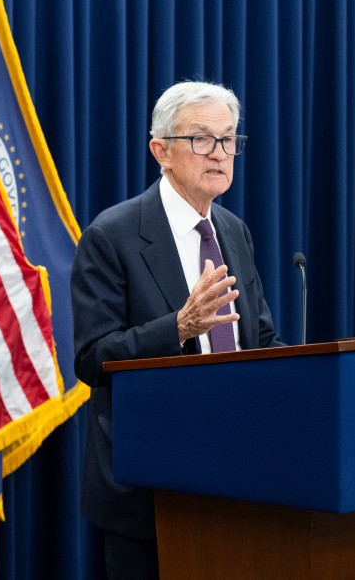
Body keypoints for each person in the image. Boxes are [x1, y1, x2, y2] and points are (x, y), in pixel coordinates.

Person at [71, 81, 284, 579]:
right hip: (151, 484)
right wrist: (180, 326)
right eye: (202, 139)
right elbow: (92, 358)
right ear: (160, 150)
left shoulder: (232, 230)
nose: (220, 154)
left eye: (229, 139)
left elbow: (262, 340)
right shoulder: (112, 235)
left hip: (237, 478)